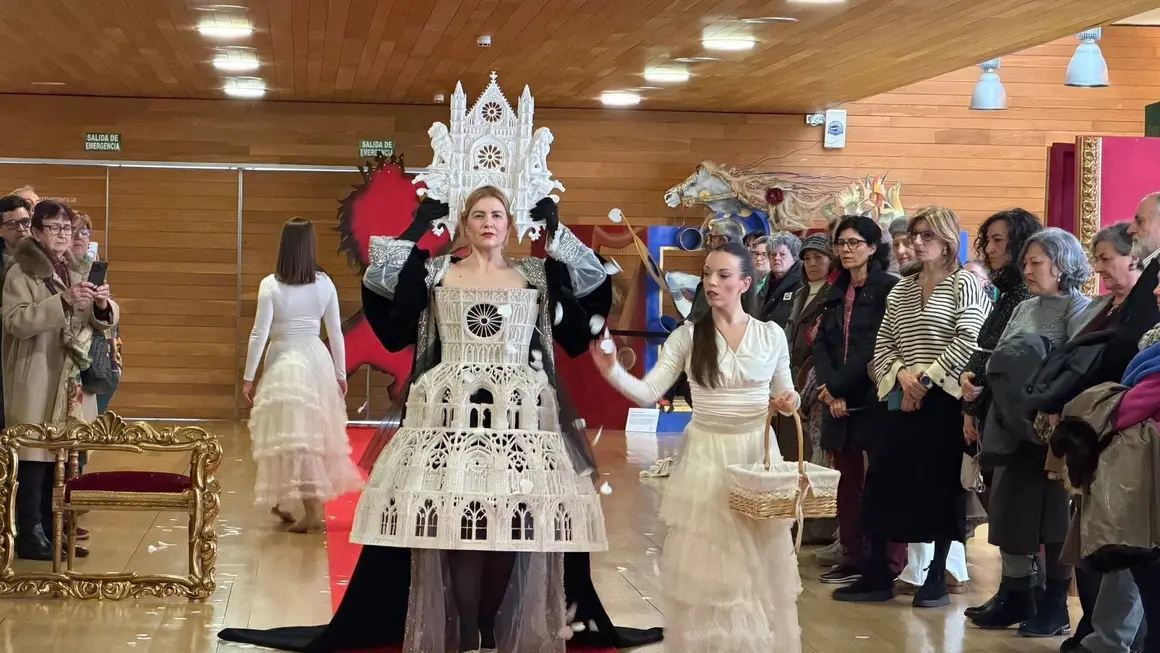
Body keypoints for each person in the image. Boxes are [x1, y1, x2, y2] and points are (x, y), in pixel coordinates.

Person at [219, 188, 662, 652]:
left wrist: (558, 233)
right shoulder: (436, 273)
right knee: (456, 527)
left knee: (512, 525)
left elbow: (590, 295)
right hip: (449, 417)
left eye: (497, 215)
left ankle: (496, 629)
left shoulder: (536, 275)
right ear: (463, 224)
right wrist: (414, 233)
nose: (488, 223)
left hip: (518, 418)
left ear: (509, 225)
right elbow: (386, 300)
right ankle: (465, 631)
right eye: (478, 215)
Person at [593, 239, 802, 653]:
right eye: (707, 274)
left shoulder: (770, 335)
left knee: (757, 558)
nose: (711, 282)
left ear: (745, 283)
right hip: (707, 456)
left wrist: (786, 401)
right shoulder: (688, 336)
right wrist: (612, 370)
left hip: (756, 456)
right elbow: (648, 391)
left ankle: (752, 644)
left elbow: (787, 391)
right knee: (713, 562)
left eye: (723, 275)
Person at [835, 207, 990, 608]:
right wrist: (902, 376)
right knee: (882, 481)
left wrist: (926, 380)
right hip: (900, 396)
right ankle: (877, 573)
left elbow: (969, 339)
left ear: (948, 240)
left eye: (927, 236)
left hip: (945, 400)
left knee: (940, 485)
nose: (917, 243)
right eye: (914, 236)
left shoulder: (965, 284)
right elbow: (884, 342)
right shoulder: (903, 288)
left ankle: (936, 575)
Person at [969, 228, 1091, 636]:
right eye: (1025, 262)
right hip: (1011, 424)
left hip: (1050, 431)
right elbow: (1000, 357)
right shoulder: (1024, 306)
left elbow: (1076, 368)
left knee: (1054, 522)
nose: (1027, 270)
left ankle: (1055, 605)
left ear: (1062, 265)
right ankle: (1017, 592)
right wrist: (977, 383)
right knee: (1010, 514)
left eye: (1036, 262)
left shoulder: (1078, 309)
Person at [2, 200, 118, 561]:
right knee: (34, 459)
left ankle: (54, 531)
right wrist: (64, 301)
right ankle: (28, 534)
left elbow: (98, 321)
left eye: (68, 228)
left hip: (70, 380)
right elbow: (15, 322)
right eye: (54, 228)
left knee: (63, 459)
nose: (63, 235)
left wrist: (102, 306)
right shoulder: (20, 272)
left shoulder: (78, 268)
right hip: (37, 374)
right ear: (37, 232)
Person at [241, 217, 364, 533]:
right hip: (315, 360)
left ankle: (310, 511)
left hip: (284, 361)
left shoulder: (270, 285)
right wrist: (340, 372)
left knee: (291, 436)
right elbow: (335, 331)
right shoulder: (324, 284)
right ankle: (287, 501)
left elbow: (259, 333)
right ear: (310, 247)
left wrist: (249, 376)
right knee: (305, 435)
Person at [812, 216, 906, 587]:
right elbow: (821, 342)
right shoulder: (835, 288)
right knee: (846, 483)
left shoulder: (888, 288)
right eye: (841, 243)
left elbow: (875, 347)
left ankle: (885, 562)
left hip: (873, 397)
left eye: (854, 243)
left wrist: (839, 389)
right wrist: (829, 388)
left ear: (872, 247)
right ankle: (852, 556)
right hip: (836, 397)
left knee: (881, 481)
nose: (846, 250)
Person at [759, 232, 803, 327]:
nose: (777, 258)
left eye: (782, 254)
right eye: (773, 255)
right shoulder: (765, 283)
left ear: (794, 257)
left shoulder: (802, 284)